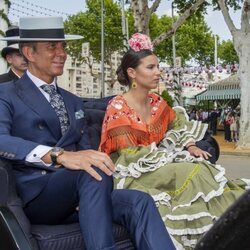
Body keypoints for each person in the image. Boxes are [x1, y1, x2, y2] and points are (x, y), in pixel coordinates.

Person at [0, 17, 175, 250]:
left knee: (139, 201)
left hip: (81, 192)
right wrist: (58, 155)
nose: (61, 53)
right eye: (52, 47)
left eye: (63, 46)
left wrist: (89, 193)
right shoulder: (6, 94)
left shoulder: (72, 101)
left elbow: (85, 151)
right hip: (36, 195)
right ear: (29, 53)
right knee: (90, 172)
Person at [99, 33, 247, 249]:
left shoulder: (158, 102)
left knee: (201, 165)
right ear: (132, 73)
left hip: (158, 163)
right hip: (132, 171)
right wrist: (171, 158)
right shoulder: (117, 107)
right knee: (192, 171)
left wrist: (191, 145)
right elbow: (130, 155)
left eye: (158, 66)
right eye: (151, 67)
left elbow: (177, 125)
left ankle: (230, 226)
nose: (158, 72)